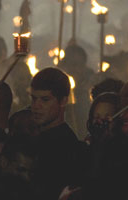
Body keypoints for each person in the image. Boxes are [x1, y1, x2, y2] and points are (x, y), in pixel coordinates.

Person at [30, 68, 83, 200]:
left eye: (45, 100)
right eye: (34, 98)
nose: (36, 106)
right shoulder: (37, 138)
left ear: (63, 101)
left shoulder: (65, 146)